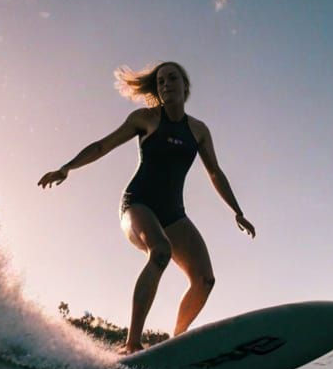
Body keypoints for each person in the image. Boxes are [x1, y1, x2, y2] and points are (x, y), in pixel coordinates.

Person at [38, 61, 255, 353]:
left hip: (173, 214)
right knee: (160, 250)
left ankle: (175, 343)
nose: (165, 84)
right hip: (137, 204)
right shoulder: (146, 119)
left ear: (185, 85)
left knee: (205, 279)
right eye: (161, 81)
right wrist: (67, 168)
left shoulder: (199, 130)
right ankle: (132, 343)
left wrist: (237, 211)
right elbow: (104, 145)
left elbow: (214, 172)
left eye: (172, 78)